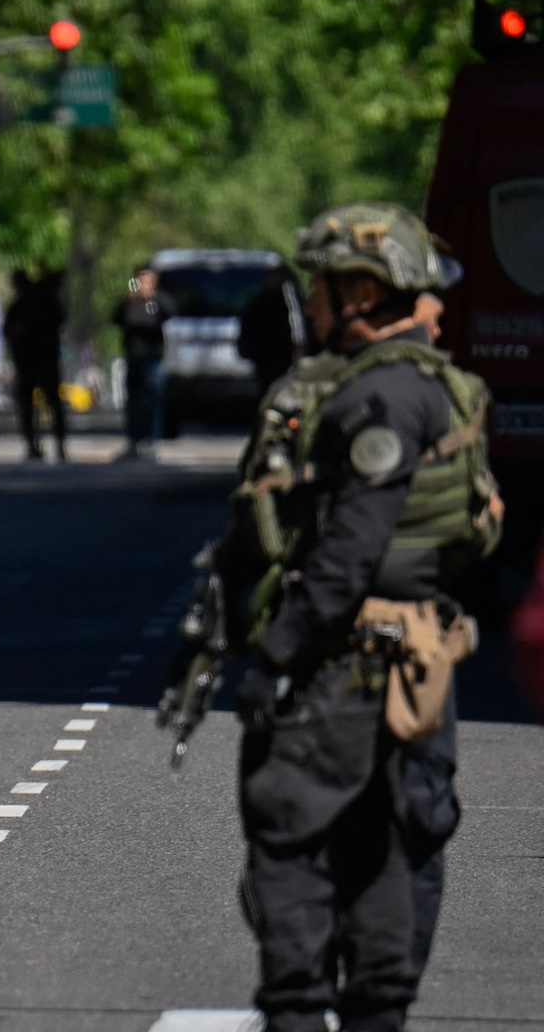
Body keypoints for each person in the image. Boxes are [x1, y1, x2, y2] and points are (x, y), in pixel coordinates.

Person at [206, 203, 499, 1032]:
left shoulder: (376, 400)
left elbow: (352, 546)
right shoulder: (437, 388)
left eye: (324, 285)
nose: (314, 301)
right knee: (395, 849)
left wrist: (278, 655)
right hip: (417, 665)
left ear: (363, 291)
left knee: (298, 857)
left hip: (346, 666)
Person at [3, 266, 68, 463]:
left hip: (40, 360)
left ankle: (52, 445)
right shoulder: (22, 307)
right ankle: (37, 445)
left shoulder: (36, 304)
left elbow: (59, 318)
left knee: (48, 404)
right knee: (37, 405)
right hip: (32, 362)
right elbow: (8, 331)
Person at [111, 263, 174, 456]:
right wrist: (129, 299)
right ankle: (132, 439)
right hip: (134, 356)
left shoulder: (159, 300)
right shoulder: (131, 300)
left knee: (153, 398)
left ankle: (151, 440)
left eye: (147, 279)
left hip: (153, 357)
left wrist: (152, 295)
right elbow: (116, 318)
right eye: (140, 279)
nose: (143, 283)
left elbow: (170, 312)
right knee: (134, 400)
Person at [237, 265, 307, 394]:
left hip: (286, 360)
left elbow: (299, 329)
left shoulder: (292, 303)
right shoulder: (259, 304)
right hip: (267, 360)